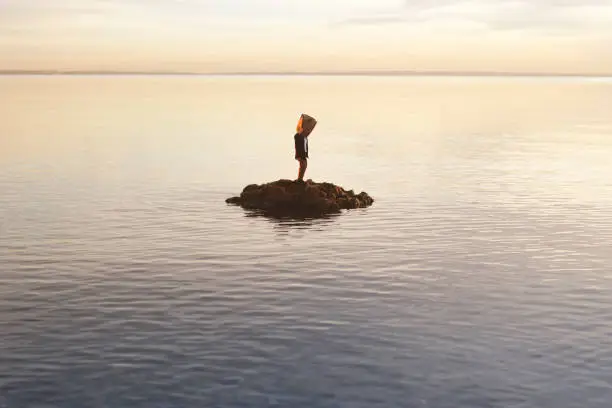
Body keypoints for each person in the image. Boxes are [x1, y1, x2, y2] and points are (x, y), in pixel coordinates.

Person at [294, 113, 317, 182]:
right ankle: (299, 179)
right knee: (303, 165)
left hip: (303, 154)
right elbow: (297, 136)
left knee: (304, 165)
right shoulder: (298, 136)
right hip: (300, 153)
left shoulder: (304, 137)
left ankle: (300, 178)